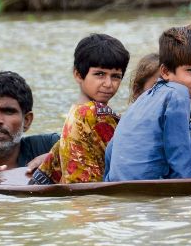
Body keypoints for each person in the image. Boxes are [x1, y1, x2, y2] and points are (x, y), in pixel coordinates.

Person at [104, 23, 191, 181]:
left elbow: (112, 148)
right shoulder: (178, 93)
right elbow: (179, 153)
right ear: (165, 72)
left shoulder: (141, 100)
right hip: (151, 186)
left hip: (117, 183)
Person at [29, 34, 130, 184]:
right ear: (78, 74)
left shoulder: (75, 114)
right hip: (94, 200)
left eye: (115, 76)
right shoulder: (90, 113)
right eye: (100, 74)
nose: (108, 84)